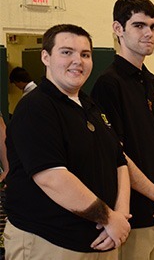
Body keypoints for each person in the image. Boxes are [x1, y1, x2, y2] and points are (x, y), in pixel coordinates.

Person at [4, 24, 131, 259]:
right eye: (66, 52)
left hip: (104, 239)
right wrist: (109, 218)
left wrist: (121, 214)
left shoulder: (90, 106)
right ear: (46, 57)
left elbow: (119, 160)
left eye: (85, 54)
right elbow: (52, 177)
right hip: (50, 242)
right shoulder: (35, 107)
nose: (77, 61)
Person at [91, 0, 154, 260]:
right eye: (139, 25)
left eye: (153, 27)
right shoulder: (109, 84)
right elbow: (116, 155)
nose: (149, 34)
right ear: (118, 29)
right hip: (134, 216)